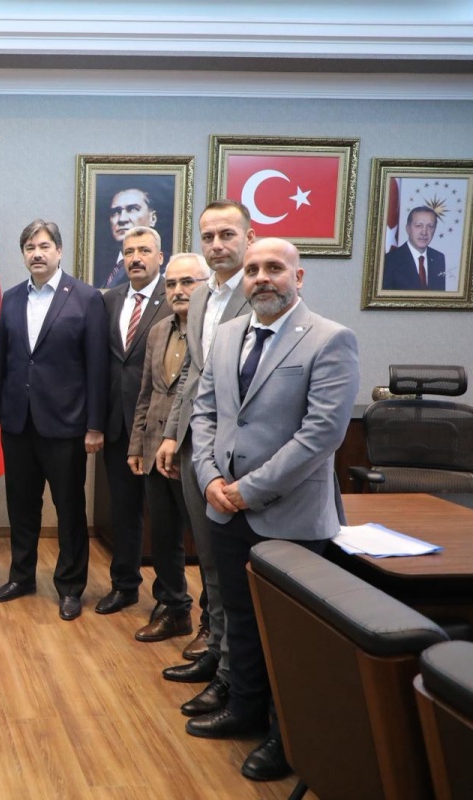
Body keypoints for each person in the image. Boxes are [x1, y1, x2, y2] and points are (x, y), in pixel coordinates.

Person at [186, 237, 360, 783]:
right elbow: (205, 413)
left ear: (298, 277)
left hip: (291, 517)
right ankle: (243, 709)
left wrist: (249, 490)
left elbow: (321, 435)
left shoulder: (330, 339)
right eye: (253, 269)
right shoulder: (228, 335)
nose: (261, 277)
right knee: (240, 619)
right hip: (225, 508)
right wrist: (210, 479)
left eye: (274, 268)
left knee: (288, 635)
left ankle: (289, 739)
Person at [154, 200, 255, 716]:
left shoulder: (258, 292)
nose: (217, 244)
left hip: (242, 450)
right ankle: (216, 653)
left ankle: (236, 675)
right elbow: (193, 373)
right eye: (208, 236)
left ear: (248, 237)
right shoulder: (200, 299)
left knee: (235, 567)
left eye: (226, 234)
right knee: (210, 559)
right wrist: (173, 434)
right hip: (197, 441)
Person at [0, 219, 109, 621]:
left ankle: (70, 587)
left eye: (43, 246)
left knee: (69, 509)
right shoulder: (11, 298)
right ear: (23, 254)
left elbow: (97, 366)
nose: (36, 253)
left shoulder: (86, 298)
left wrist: (95, 425)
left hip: (66, 425)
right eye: (29, 247)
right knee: (21, 506)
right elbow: (0, 361)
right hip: (18, 422)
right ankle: (21, 577)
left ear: (59, 251)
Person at [126, 253, 210, 643]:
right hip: (154, 450)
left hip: (195, 453)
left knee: (206, 543)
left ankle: (212, 623)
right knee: (163, 536)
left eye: (187, 282)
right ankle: (175, 609)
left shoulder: (217, 330)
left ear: (207, 285)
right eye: (172, 283)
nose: (178, 290)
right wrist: (137, 445)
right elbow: (147, 393)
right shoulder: (158, 330)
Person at [97, 226, 173, 617]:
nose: (135, 258)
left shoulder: (174, 298)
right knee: (123, 511)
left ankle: (168, 596)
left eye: (144, 250)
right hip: (117, 424)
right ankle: (124, 585)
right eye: (128, 252)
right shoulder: (109, 300)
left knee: (164, 516)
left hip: (159, 427)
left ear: (160, 257)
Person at [98, 188, 160, 289]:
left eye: (132, 209)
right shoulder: (100, 268)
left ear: (152, 218)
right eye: (115, 212)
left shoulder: (166, 269)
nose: (122, 219)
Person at [382, 206, 447, 290]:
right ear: (408, 229)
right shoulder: (389, 260)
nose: (424, 232)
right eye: (419, 226)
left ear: (434, 229)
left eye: (430, 226)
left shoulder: (438, 258)